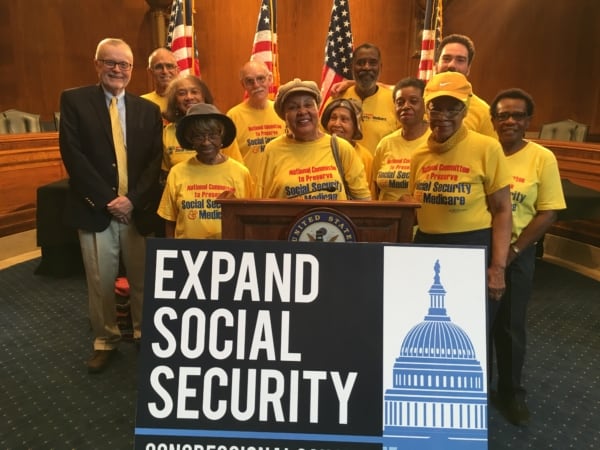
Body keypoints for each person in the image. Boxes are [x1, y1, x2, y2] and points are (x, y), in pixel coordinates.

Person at [59, 38, 163, 373]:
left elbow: (153, 161)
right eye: (110, 62)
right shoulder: (74, 101)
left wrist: (132, 200)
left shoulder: (148, 110)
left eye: (124, 64)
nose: (117, 69)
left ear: (132, 70)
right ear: (97, 64)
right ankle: (105, 340)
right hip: (94, 209)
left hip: (138, 211)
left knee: (143, 280)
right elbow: (73, 156)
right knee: (100, 281)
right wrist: (108, 200)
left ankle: (144, 335)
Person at [489, 88, 566, 426]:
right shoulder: (484, 151)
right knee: (474, 325)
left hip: (518, 255)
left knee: (509, 328)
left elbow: (548, 212)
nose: (509, 121)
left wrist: (515, 251)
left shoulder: (541, 157)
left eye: (517, 115)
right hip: (479, 250)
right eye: (503, 115)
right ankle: (474, 392)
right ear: (492, 120)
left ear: (528, 121)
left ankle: (510, 393)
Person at [407, 71, 512, 318]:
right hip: (426, 246)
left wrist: (497, 267)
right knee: (423, 317)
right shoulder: (419, 154)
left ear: (465, 111)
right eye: (436, 108)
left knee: (471, 323)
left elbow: (503, 210)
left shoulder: (487, 148)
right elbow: (415, 205)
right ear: (426, 110)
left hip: (472, 246)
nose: (442, 117)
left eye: (452, 109)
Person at [257, 78, 370, 200]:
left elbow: (363, 202)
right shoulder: (272, 150)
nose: (302, 111)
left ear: (317, 110)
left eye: (308, 105)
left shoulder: (341, 147)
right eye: (293, 107)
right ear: (284, 116)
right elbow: (262, 205)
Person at [158, 103, 254, 238]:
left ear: (222, 137)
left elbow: (248, 220)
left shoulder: (240, 173)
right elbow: (169, 220)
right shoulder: (177, 173)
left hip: (227, 254)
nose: (206, 142)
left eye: (213, 135)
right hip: (186, 253)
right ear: (190, 140)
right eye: (198, 136)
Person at [161, 74, 243, 182]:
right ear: (175, 101)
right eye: (182, 93)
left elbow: (237, 169)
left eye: (194, 92)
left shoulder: (221, 127)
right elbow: (165, 172)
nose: (189, 97)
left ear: (204, 97)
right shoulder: (168, 132)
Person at [324, 43, 398, 155]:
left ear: (380, 67)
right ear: (352, 67)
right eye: (360, 63)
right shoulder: (337, 98)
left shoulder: (395, 102)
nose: (367, 67)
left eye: (372, 63)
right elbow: (320, 136)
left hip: (380, 171)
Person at [372, 77, 429, 200]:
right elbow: (375, 187)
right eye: (400, 102)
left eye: (413, 101)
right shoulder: (385, 143)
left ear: (425, 104)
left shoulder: (434, 140)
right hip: (386, 217)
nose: (406, 106)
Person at [226, 60, 285, 180]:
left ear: (270, 79)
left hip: (279, 186)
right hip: (249, 190)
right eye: (249, 81)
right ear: (243, 85)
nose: (256, 85)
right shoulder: (233, 116)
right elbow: (231, 162)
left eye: (261, 79)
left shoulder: (282, 111)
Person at [435, 33, 496, 138]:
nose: (452, 65)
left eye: (460, 60)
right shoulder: (417, 103)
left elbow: (492, 152)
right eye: (446, 58)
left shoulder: (484, 112)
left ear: (468, 68)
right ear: (436, 65)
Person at [320, 98, 373, 186]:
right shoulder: (319, 152)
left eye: (344, 119)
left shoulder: (365, 157)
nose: (337, 124)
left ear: (355, 127)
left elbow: (370, 195)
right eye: (333, 118)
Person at [140, 48, 179, 115]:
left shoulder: (186, 100)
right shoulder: (142, 103)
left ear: (177, 71)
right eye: (159, 67)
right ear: (150, 72)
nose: (165, 71)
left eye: (169, 66)